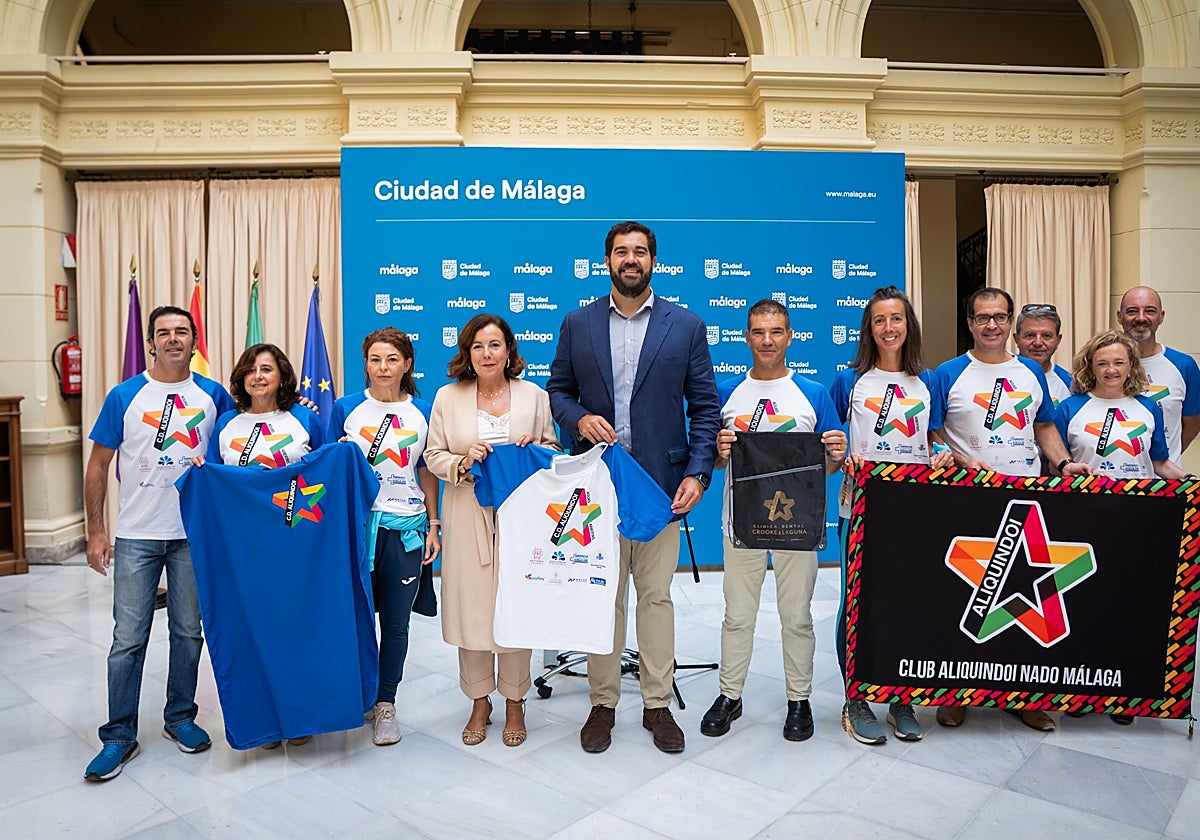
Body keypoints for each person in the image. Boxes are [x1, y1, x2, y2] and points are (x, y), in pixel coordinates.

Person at [547, 220, 721, 755]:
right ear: (607, 261)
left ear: (653, 261)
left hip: (661, 489)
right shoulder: (578, 323)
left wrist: (697, 473)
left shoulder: (685, 326)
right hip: (597, 488)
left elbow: (705, 408)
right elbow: (558, 391)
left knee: (656, 598)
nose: (630, 259)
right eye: (621, 251)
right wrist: (579, 419)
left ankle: (656, 704)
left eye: (640, 252)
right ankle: (602, 703)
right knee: (604, 596)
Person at [83, 305, 235, 781]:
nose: (173, 339)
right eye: (163, 332)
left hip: (193, 536)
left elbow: (243, 442)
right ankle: (118, 736)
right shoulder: (124, 396)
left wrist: (300, 410)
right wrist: (96, 530)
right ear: (151, 342)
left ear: (194, 341)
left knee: (189, 632)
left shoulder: (214, 395)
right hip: (136, 535)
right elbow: (97, 466)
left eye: (181, 331)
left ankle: (180, 717)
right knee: (128, 639)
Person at [929, 286, 1089, 732]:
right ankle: (956, 694)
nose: (992, 325)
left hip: (1024, 501)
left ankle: (1020, 696)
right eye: (983, 317)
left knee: (1024, 604)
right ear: (970, 323)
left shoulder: (1031, 372)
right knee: (963, 600)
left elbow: (1044, 426)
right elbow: (932, 432)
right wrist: (957, 459)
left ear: (1010, 322)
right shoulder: (948, 373)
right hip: (967, 501)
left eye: (1000, 316)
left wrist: (1063, 464)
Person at [698, 299, 847, 744]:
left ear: (790, 336)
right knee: (737, 616)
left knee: (797, 616)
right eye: (759, 332)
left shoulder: (813, 393)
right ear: (746, 337)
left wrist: (836, 454)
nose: (767, 340)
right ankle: (730, 695)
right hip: (741, 523)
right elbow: (715, 462)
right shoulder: (726, 393)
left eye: (776, 331)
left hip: (796, 526)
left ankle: (799, 699)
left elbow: (828, 466)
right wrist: (719, 453)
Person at [424, 314, 560, 748]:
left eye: (495, 345)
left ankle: (516, 700)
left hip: (521, 515)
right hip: (467, 513)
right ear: (467, 352)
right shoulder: (448, 397)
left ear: (509, 351)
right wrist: (463, 460)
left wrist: (535, 449)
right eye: (478, 346)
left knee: (516, 603)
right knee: (474, 608)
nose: (487, 354)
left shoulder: (534, 396)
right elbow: (432, 455)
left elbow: (554, 450)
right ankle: (479, 700)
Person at [828, 286, 954, 745]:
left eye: (896, 319)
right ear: (869, 329)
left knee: (909, 602)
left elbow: (934, 438)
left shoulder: (929, 381)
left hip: (914, 510)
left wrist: (942, 454)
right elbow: (832, 444)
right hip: (860, 509)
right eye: (879, 320)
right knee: (856, 604)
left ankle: (902, 697)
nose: (888, 328)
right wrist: (841, 455)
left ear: (908, 325)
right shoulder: (849, 382)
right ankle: (856, 697)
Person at [197, 342, 326, 749]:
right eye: (251, 369)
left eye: (267, 369)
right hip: (243, 549)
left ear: (282, 375)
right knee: (252, 631)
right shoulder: (226, 424)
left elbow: (324, 477)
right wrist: (201, 471)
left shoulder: (305, 418)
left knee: (294, 629)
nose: (258, 376)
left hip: (295, 545)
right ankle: (264, 719)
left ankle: (299, 715)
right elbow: (215, 483)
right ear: (241, 378)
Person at [328, 327, 440, 747]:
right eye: (375, 359)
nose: (383, 367)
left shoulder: (423, 411)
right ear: (366, 364)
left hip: (405, 528)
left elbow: (426, 469)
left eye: (392, 359)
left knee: (395, 623)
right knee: (352, 619)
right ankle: (356, 694)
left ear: (407, 364)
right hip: (356, 530)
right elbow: (326, 468)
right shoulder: (345, 409)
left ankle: (386, 702)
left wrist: (433, 524)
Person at [1117, 286, 1200, 465]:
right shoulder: (1102, 366)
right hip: (1113, 476)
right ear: (1119, 316)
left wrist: (1166, 457)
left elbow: (1193, 422)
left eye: (1150, 311)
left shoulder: (1184, 366)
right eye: (1132, 311)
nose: (1141, 318)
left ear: (1161, 317)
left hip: (1165, 478)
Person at [1014, 303, 1072, 408]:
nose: (1038, 343)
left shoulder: (1071, 385)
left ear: (1058, 340)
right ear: (1016, 339)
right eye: (1030, 335)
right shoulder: (1000, 374)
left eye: (1046, 336)